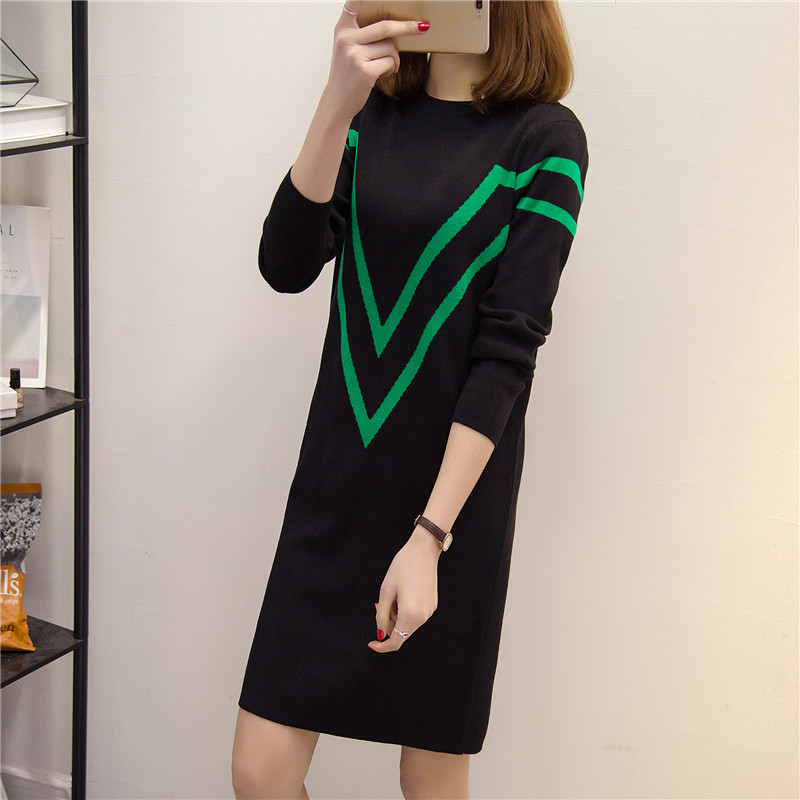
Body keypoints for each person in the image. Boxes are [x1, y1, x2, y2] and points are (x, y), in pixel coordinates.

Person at [232, 0, 588, 797]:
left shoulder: (545, 140)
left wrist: (429, 538)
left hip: (448, 508)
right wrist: (336, 101)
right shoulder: (370, 120)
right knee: (260, 771)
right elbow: (285, 265)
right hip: (335, 487)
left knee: (429, 775)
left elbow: (509, 350)